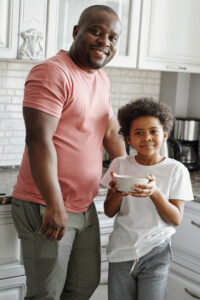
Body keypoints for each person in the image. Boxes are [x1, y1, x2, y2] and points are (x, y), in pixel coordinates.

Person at [11, 5, 126, 300]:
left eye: (112, 37)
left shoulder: (101, 80)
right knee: (46, 294)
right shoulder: (53, 72)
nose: (105, 42)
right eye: (97, 32)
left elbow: (111, 132)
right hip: (46, 203)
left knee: (83, 285)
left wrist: (128, 174)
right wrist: (54, 203)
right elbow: (39, 140)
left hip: (83, 205)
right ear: (77, 32)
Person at [101, 98, 194, 300]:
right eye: (139, 133)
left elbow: (176, 219)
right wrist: (118, 192)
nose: (147, 138)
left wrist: (154, 193)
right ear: (128, 139)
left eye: (153, 131)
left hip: (156, 250)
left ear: (165, 135)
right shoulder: (119, 165)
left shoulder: (176, 170)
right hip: (121, 250)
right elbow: (109, 211)